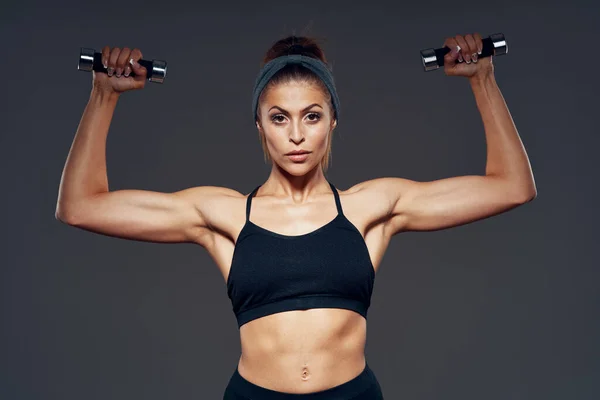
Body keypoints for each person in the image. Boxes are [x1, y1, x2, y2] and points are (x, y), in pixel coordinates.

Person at [55, 33, 537, 399]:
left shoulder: (371, 207)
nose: (297, 135)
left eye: (312, 116)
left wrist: (483, 80)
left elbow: (511, 187)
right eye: (279, 118)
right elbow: (81, 206)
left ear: (333, 121)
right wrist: (104, 96)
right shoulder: (222, 214)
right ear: (260, 126)